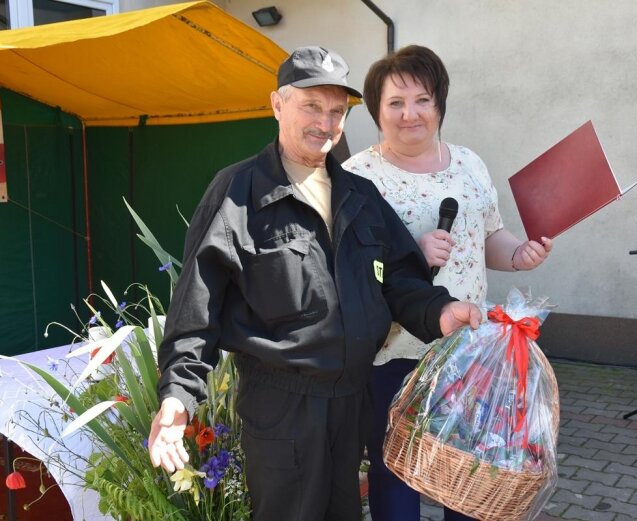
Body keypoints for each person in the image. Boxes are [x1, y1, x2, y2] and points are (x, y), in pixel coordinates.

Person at [146, 46, 482, 521]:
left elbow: (400, 277)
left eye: (336, 111)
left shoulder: (359, 194)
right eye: (311, 106)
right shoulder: (238, 193)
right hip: (283, 410)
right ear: (277, 104)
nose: (324, 122)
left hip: (351, 403)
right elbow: (196, 306)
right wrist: (178, 397)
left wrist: (441, 311)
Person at [342, 45, 554, 521]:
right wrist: (408, 255)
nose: (409, 113)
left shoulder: (469, 164)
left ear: (440, 105)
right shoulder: (357, 176)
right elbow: (348, 267)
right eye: (395, 102)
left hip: (468, 352)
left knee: (470, 471)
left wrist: (518, 255)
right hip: (394, 355)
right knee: (395, 469)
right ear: (377, 110)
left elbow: (489, 235)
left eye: (422, 99)